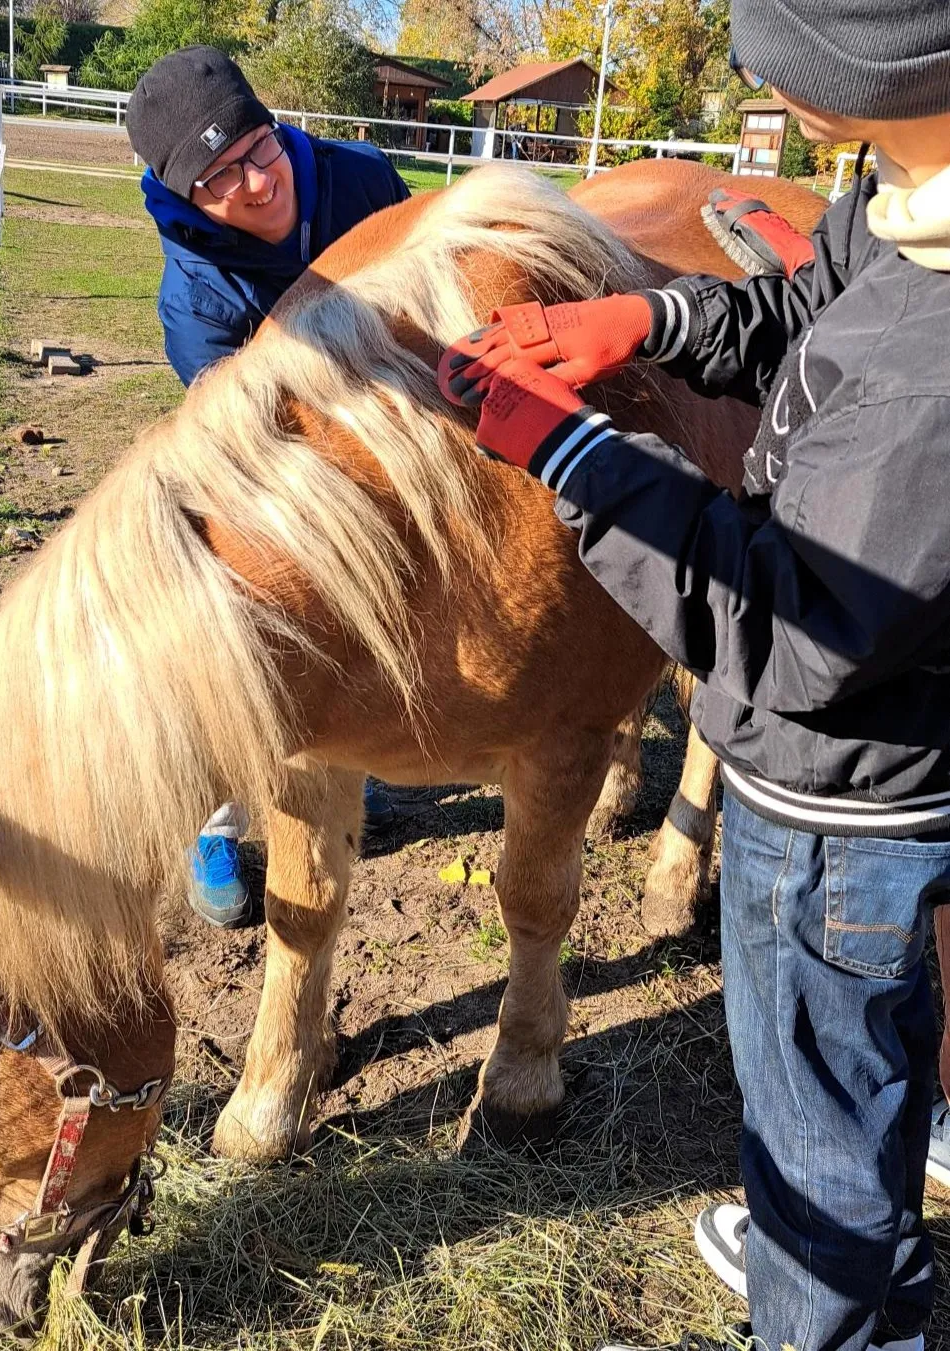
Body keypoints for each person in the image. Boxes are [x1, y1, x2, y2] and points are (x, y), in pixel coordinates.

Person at [439, 3, 950, 1348]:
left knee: (817, 1147)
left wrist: (573, 459)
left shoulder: (929, 381)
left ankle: (824, 1314)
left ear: (871, 70)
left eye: (789, 62)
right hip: (876, 770)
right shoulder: (912, 196)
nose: (765, 88)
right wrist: (646, 318)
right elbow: (811, 296)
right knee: (850, 1105)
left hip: (838, 818)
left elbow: (789, 634)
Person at [126, 46, 408, 926]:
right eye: (219, 177)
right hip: (278, 461)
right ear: (185, 194)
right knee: (230, 604)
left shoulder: (367, 185)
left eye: (257, 148)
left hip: (395, 425)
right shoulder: (195, 301)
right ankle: (213, 817)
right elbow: (233, 445)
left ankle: (372, 749)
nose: (254, 183)